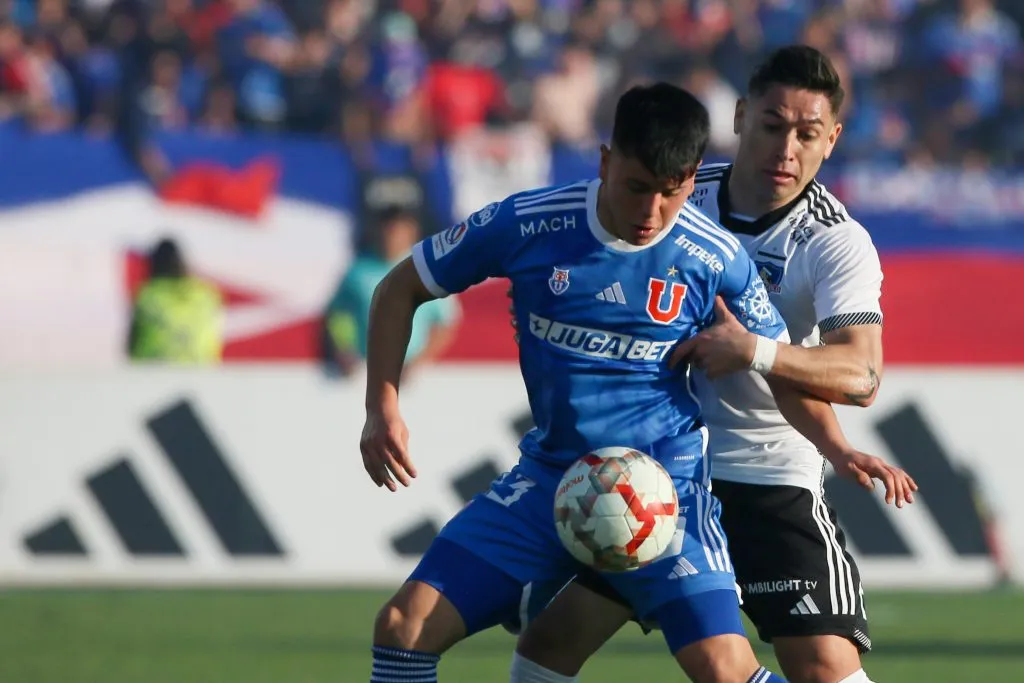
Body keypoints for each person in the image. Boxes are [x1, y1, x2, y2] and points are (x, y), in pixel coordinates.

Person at [359, 82, 907, 683]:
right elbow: (399, 288)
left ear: (691, 180)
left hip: (665, 497)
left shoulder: (715, 258)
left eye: (671, 193)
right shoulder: (528, 223)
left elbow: (777, 370)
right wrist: (382, 406)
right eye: (637, 187)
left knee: (724, 669)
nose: (651, 212)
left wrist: (839, 448)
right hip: (550, 483)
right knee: (403, 629)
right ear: (605, 162)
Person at [510, 46, 914, 683]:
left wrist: (753, 350)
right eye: (773, 125)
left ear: (832, 140)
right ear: (741, 115)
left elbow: (861, 375)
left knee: (821, 668)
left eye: (807, 134)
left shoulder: (835, 242)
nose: (787, 149)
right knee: (549, 644)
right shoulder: (676, 193)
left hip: (767, 474)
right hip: (659, 470)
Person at [324, 206, 460, 379]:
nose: (392, 237)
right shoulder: (358, 271)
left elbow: (446, 322)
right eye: (388, 230)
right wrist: (344, 349)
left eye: (398, 231)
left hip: (410, 377)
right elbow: (337, 313)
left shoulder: (428, 270)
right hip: (364, 371)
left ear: (412, 232)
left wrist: (418, 363)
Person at [127, 237, 224, 364]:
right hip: (200, 370)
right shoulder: (207, 294)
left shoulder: (148, 294)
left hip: (154, 370)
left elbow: (130, 346)